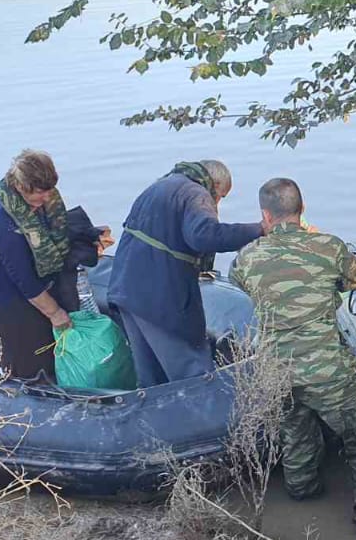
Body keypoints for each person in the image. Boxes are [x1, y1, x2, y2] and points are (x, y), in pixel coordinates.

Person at [229, 178, 356, 532]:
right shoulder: (328, 246)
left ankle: (302, 490)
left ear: (265, 216)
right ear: (302, 210)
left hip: (275, 367)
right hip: (325, 368)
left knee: (295, 428)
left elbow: (240, 285)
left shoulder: (247, 256)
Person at [109, 160, 262, 387]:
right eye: (220, 196)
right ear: (214, 183)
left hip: (126, 291)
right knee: (194, 373)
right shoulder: (195, 193)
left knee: (151, 377)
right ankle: (210, 419)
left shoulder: (159, 187)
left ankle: (156, 420)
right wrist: (259, 229)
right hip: (158, 300)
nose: (216, 203)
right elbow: (203, 235)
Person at [0, 150, 109, 381]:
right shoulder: (6, 224)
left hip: (41, 281)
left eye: (49, 191)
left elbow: (56, 233)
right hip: (7, 294)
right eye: (39, 194)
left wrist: (90, 239)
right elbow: (24, 280)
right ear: (20, 187)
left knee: (51, 346)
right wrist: (56, 313)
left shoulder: (45, 201)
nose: (47, 198)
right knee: (29, 361)